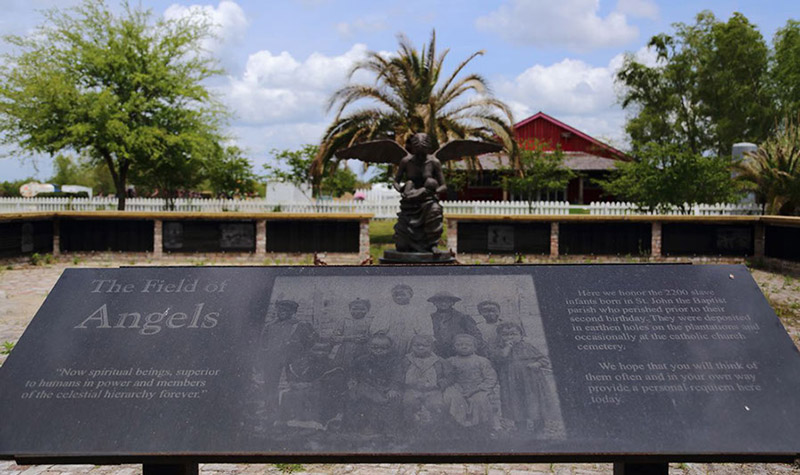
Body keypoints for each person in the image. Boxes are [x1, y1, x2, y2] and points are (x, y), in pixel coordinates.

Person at [490, 322, 552, 433]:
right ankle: (520, 428)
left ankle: (539, 428)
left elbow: (544, 359)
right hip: (511, 382)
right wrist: (507, 347)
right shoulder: (499, 349)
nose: (510, 337)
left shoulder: (527, 347)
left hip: (531, 381)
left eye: (513, 334)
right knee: (516, 403)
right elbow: (499, 359)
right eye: (505, 335)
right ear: (500, 336)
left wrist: (537, 364)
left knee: (534, 402)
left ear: (521, 335)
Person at [260, 300, 317, 420]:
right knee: (270, 385)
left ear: (293, 312)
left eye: (287, 310)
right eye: (280, 310)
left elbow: (312, 340)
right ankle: (271, 410)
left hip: (293, 360)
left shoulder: (300, 325)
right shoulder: (270, 326)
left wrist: (300, 350)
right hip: (273, 359)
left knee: (294, 385)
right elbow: (263, 343)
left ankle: (293, 412)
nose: (283, 312)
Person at [393, 133, 446, 253]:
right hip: (410, 200)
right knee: (402, 246)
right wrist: (401, 190)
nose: (420, 155)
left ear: (428, 149)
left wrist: (433, 192)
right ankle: (406, 240)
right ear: (412, 148)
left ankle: (432, 244)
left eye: (423, 152)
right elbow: (396, 181)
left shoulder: (434, 162)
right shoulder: (406, 161)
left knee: (435, 209)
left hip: (427, 199)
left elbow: (443, 186)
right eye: (417, 151)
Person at [345, 334, 403, 435]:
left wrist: (393, 388)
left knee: (393, 401)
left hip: (385, 388)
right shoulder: (362, 360)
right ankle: (357, 427)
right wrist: (352, 380)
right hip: (367, 386)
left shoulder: (394, 361)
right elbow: (353, 371)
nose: (379, 350)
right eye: (375, 347)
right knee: (355, 397)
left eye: (383, 348)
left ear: (390, 348)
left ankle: (389, 431)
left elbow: (397, 376)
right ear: (369, 347)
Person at [442, 334, 498, 430]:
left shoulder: (482, 361)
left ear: (475, 347)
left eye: (468, 344)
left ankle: (480, 427)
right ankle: (456, 427)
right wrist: (454, 387)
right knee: (453, 398)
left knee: (480, 400)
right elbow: (447, 377)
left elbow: (490, 378)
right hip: (457, 387)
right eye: (459, 344)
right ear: (454, 347)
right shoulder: (450, 361)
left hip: (478, 387)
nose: (464, 347)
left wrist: (477, 389)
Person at [400, 335, 450, 431]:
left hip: (432, 390)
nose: (421, 348)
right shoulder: (406, 360)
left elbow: (450, 375)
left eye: (425, 345)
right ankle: (411, 428)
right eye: (417, 345)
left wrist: (441, 384)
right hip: (412, 389)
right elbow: (398, 375)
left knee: (435, 405)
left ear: (431, 347)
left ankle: (434, 429)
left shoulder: (439, 361)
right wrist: (404, 383)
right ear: (411, 346)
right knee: (409, 403)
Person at [372, 284, 433, 355]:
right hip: (390, 340)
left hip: (410, 341)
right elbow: (377, 329)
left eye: (403, 295)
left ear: (410, 295)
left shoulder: (418, 311)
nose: (399, 297)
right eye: (396, 295)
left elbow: (425, 331)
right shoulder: (385, 310)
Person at [428, 291, 484, 358]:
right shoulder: (430, 318)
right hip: (437, 353)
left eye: (447, 301)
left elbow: (476, 335)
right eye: (440, 301)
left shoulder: (462, 317)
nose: (443, 303)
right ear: (434, 303)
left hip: (458, 353)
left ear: (452, 303)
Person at [331, 298, 374, 367]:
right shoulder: (344, 321)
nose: (358, 311)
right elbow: (334, 338)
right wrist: (350, 338)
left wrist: (367, 338)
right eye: (355, 309)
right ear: (350, 309)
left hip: (364, 350)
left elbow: (373, 336)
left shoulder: (370, 321)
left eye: (362, 309)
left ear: (367, 310)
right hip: (346, 351)